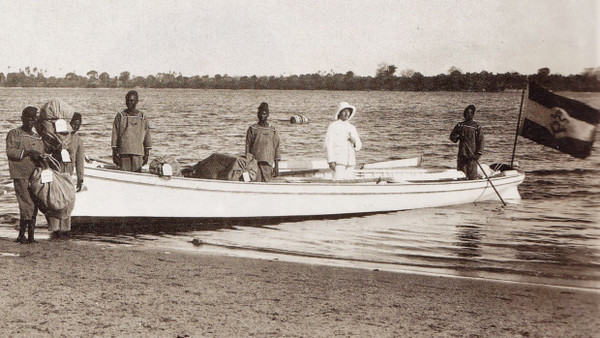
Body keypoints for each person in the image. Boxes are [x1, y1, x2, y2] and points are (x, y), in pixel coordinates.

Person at [6, 107, 45, 243]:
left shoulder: (37, 137)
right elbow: (10, 151)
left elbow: (42, 155)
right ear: (22, 118)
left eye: (33, 119)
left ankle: (29, 236)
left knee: (34, 204)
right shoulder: (14, 133)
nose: (30, 122)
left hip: (34, 176)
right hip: (20, 174)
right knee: (26, 204)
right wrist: (28, 153)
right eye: (28, 119)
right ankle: (23, 235)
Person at [111, 90, 152, 172]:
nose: (129, 102)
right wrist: (114, 152)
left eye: (132, 100)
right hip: (124, 152)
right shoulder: (120, 116)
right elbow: (115, 134)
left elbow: (147, 135)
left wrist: (146, 153)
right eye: (128, 100)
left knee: (137, 175)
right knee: (124, 175)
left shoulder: (142, 117)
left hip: (138, 153)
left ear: (137, 101)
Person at [325, 102, 362, 180]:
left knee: (349, 182)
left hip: (350, 162)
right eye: (344, 111)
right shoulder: (333, 126)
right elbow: (329, 144)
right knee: (337, 180)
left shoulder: (352, 127)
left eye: (348, 111)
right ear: (339, 113)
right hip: (338, 161)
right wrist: (331, 161)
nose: (346, 113)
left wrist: (354, 142)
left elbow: (358, 146)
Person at [245, 102, 280, 182]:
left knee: (267, 184)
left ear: (268, 114)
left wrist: (277, 167)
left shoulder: (273, 130)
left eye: (264, 114)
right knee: (255, 183)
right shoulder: (252, 129)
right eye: (259, 113)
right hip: (255, 163)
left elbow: (277, 148)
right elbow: (247, 147)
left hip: (268, 164)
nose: (261, 116)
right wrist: (247, 164)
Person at [450, 104, 484, 180]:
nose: (466, 115)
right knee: (462, 175)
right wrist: (458, 137)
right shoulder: (460, 125)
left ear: (472, 114)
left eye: (469, 113)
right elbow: (452, 137)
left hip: (472, 155)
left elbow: (481, 141)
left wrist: (478, 153)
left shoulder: (477, 126)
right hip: (462, 154)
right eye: (465, 113)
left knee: (472, 176)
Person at [66, 113, 84, 192]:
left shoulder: (78, 140)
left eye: (78, 124)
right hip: (57, 172)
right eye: (74, 124)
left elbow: (79, 161)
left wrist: (80, 179)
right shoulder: (61, 136)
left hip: (68, 174)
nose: (76, 127)